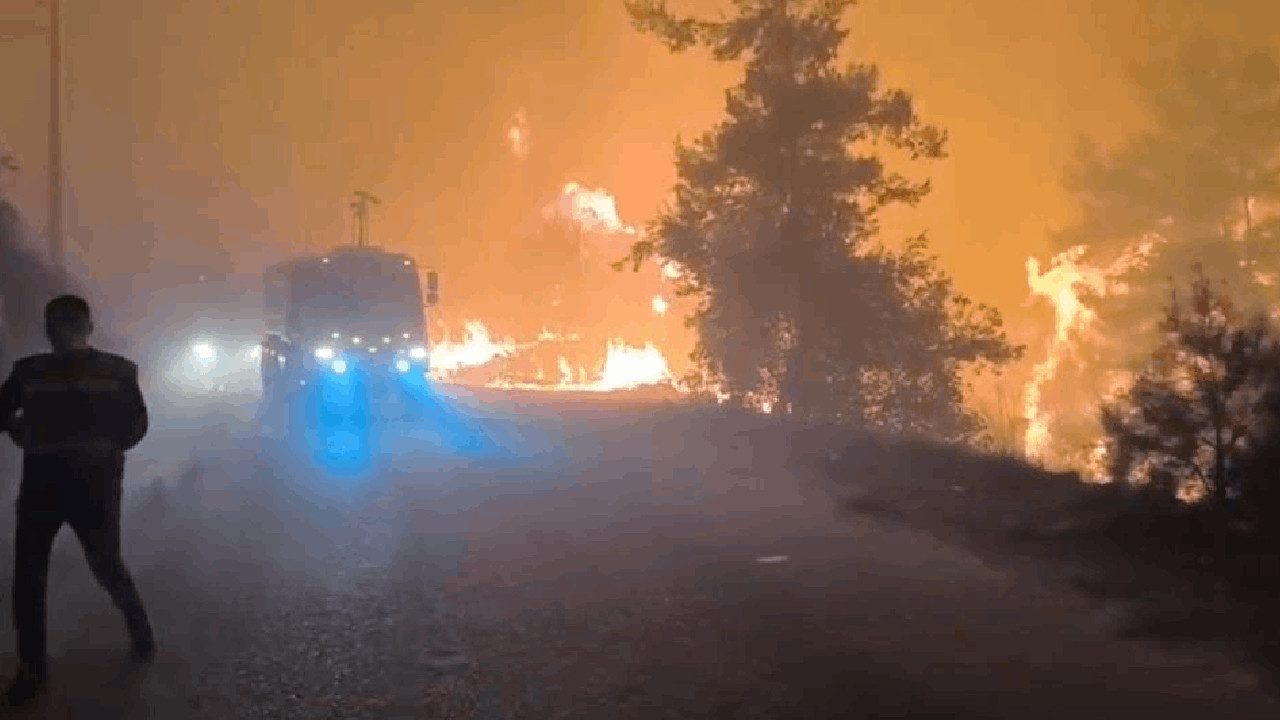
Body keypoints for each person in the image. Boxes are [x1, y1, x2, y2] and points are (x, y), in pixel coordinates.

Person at [0, 294, 154, 705]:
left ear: (49, 329)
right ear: (89, 327)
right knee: (103, 565)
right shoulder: (118, 371)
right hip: (91, 487)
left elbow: (1, 413)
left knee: (31, 580)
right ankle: (140, 632)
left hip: (45, 487)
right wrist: (109, 451)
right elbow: (137, 423)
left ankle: (32, 673)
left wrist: (18, 431)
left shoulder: (29, 372)